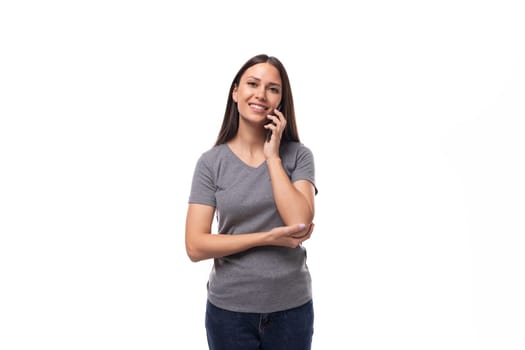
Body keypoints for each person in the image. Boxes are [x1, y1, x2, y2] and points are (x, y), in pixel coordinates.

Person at [185, 54, 318, 350]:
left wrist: (272, 157)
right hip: (229, 313)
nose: (261, 94)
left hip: (292, 309)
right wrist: (267, 237)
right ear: (235, 92)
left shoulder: (298, 156)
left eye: (273, 88)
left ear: (281, 101)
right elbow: (195, 246)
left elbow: (299, 222)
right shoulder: (211, 163)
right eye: (253, 84)